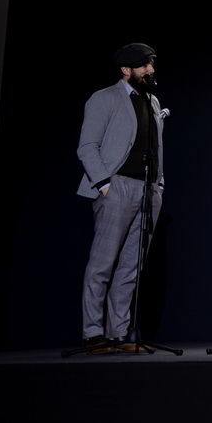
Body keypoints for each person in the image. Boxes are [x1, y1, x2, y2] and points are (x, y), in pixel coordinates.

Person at [76, 42, 164, 355]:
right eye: (143, 65)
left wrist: (159, 185)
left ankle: (119, 332)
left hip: (148, 190)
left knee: (131, 267)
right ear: (126, 69)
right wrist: (104, 185)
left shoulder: (152, 101)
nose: (150, 69)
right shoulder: (105, 98)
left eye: (151, 63)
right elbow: (87, 146)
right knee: (102, 265)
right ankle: (93, 333)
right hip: (117, 187)